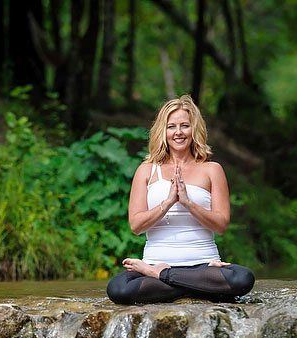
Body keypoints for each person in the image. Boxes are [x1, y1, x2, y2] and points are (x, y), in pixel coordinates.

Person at [106, 95, 255, 304]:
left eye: (184, 126)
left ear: (194, 130)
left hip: (203, 265)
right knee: (118, 288)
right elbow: (136, 225)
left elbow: (221, 225)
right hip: (157, 260)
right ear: (163, 131)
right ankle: (199, 288)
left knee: (243, 279)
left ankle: (163, 277)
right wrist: (167, 203)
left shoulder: (212, 170)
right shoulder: (146, 170)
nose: (178, 132)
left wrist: (188, 203)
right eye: (171, 126)